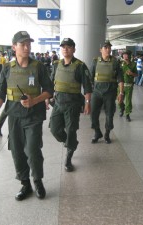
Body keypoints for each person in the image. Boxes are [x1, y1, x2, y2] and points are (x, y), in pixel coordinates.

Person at [0, 31, 53, 201]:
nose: (26, 47)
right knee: (17, 150)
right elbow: (0, 93)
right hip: (14, 115)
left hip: (34, 115)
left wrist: (35, 100)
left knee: (32, 149)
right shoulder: (8, 68)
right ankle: (25, 183)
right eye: (22, 44)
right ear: (14, 47)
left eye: (28, 43)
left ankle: (37, 180)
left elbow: (49, 90)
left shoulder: (38, 66)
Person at [48, 38, 92, 172]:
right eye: (63, 47)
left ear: (74, 49)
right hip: (58, 102)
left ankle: (68, 157)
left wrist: (87, 103)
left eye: (68, 47)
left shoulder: (80, 65)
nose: (65, 49)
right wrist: (48, 97)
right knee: (55, 130)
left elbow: (87, 87)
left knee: (71, 130)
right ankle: (71, 143)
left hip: (73, 103)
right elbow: (51, 83)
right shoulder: (56, 64)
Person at [90, 40, 124, 144]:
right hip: (97, 92)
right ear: (101, 50)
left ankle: (107, 134)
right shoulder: (95, 61)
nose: (108, 49)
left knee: (109, 114)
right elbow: (90, 77)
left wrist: (121, 93)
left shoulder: (115, 62)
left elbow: (120, 78)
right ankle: (97, 132)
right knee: (93, 114)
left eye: (109, 47)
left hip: (110, 92)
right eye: (106, 48)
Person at [118, 50, 137, 122]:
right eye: (124, 55)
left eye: (127, 55)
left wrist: (132, 73)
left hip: (129, 85)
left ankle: (127, 114)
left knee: (128, 101)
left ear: (129, 56)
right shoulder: (120, 63)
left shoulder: (133, 64)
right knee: (119, 100)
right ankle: (122, 108)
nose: (125, 56)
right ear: (122, 56)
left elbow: (136, 74)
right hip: (120, 85)